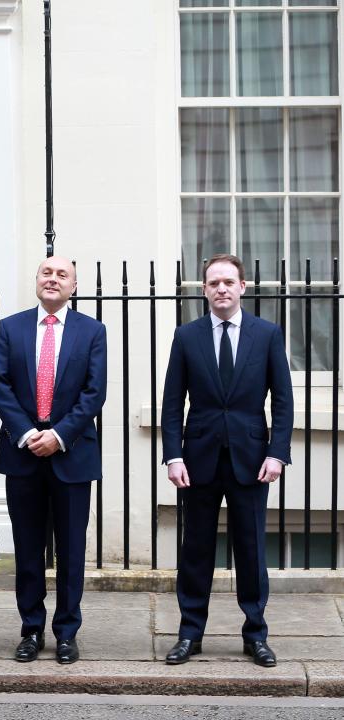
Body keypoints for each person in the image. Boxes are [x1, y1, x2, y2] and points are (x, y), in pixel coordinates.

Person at [161, 254, 292, 668]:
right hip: (198, 460)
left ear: (243, 287)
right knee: (196, 549)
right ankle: (189, 634)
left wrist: (277, 453)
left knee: (251, 549)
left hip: (252, 461)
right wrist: (173, 456)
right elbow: (171, 404)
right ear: (204, 290)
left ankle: (255, 634)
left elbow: (284, 402)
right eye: (213, 282)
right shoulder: (186, 336)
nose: (221, 288)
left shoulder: (267, 334)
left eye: (228, 282)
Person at [0, 255, 107, 665]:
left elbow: (94, 392)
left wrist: (58, 436)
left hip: (71, 455)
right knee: (27, 549)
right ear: (36, 280)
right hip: (23, 454)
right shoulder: (11, 327)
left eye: (62, 275)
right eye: (46, 272)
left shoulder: (93, 331)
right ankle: (31, 629)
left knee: (72, 552)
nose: (53, 279)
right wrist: (27, 433)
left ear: (74, 286)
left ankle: (67, 632)